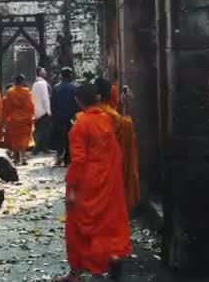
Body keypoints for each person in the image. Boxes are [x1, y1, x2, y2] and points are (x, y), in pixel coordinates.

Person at [58, 84, 131, 281]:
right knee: (107, 223)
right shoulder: (107, 119)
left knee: (77, 227)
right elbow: (116, 148)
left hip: (86, 183)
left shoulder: (80, 125)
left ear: (78, 101)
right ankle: (112, 256)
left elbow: (79, 160)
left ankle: (76, 272)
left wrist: (72, 189)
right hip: (108, 180)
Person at [95, 77, 140, 210]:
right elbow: (125, 126)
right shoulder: (114, 117)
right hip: (112, 168)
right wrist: (127, 107)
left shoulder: (85, 116)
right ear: (110, 95)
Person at [3, 75, 35, 165]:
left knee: (15, 139)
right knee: (24, 139)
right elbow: (30, 106)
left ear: (15, 81)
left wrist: (7, 118)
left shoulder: (10, 92)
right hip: (25, 119)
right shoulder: (26, 92)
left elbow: (7, 106)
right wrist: (31, 116)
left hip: (13, 119)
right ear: (23, 82)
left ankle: (16, 158)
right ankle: (23, 158)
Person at [51, 67, 78, 167]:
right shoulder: (75, 88)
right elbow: (78, 104)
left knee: (59, 138)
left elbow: (53, 104)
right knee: (70, 138)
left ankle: (58, 157)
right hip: (71, 117)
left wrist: (54, 116)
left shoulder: (56, 88)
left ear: (61, 75)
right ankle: (68, 160)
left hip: (59, 117)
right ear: (70, 75)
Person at [31, 67, 51, 154]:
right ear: (40, 73)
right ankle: (38, 148)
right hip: (43, 110)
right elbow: (45, 98)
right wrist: (48, 111)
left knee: (39, 129)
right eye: (44, 71)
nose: (45, 72)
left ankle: (40, 147)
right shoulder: (43, 83)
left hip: (37, 110)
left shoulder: (35, 84)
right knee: (44, 131)